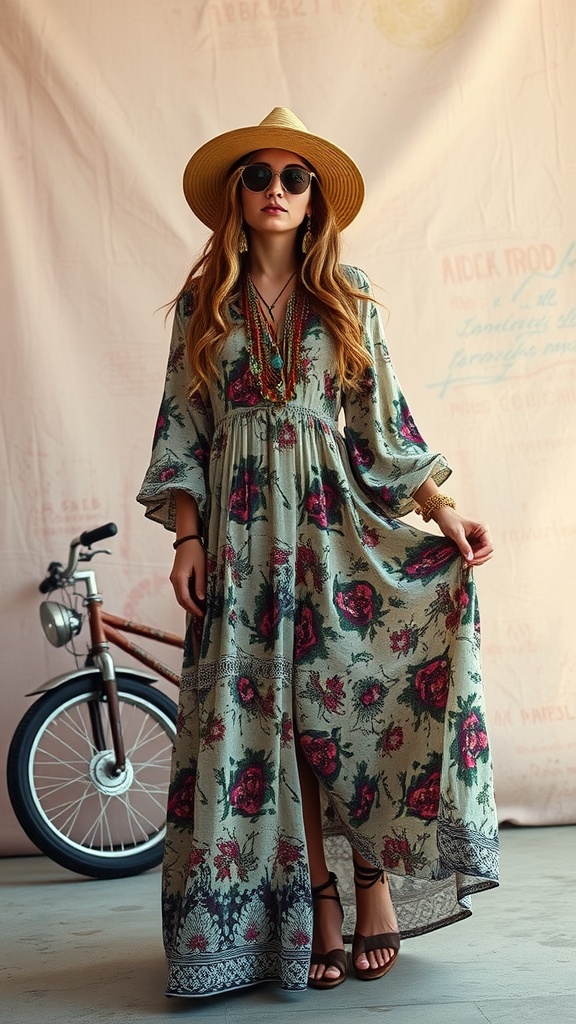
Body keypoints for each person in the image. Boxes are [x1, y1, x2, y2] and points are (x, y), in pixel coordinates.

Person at [137, 107, 499, 998]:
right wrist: (186, 537)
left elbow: (381, 424)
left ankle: (370, 883)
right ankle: (321, 905)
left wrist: (440, 511)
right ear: (238, 195)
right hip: (234, 546)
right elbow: (182, 429)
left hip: (331, 535)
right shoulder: (202, 305)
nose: (275, 190)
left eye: (293, 179)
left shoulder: (346, 296)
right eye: (258, 177)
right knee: (271, 724)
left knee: (343, 709)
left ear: (313, 200)